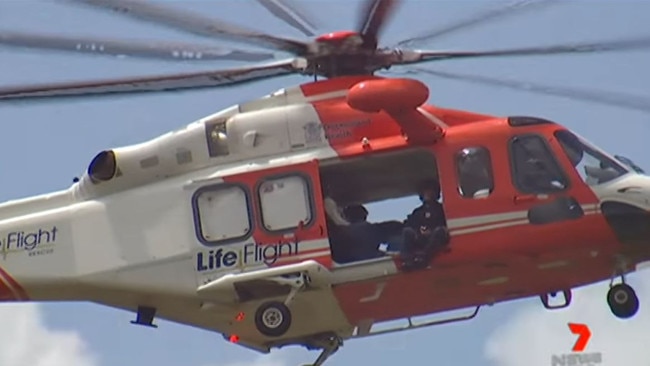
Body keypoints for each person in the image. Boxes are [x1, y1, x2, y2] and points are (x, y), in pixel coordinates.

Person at [399, 179, 450, 270]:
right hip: (420, 238)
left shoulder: (442, 209)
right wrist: (419, 232)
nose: (428, 193)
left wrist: (431, 231)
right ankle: (407, 260)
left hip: (435, 239)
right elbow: (411, 226)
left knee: (440, 231)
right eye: (425, 191)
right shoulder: (417, 212)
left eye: (431, 190)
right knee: (407, 231)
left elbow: (445, 225)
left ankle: (424, 258)